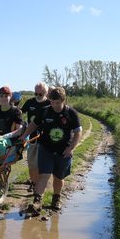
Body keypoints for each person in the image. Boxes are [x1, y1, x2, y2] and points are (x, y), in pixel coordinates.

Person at [19, 86, 82, 214]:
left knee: (59, 177)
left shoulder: (71, 113)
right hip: (46, 148)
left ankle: (56, 199)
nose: (54, 105)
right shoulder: (45, 111)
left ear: (63, 100)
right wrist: (24, 136)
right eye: (52, 102)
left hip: (64, 151)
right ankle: (37, 202)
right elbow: (33, 124)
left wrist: (71, 148)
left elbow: (78, 132)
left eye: (57, 103)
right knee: (44, 175)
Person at [20, 82, 50, 192]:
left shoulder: (50, 104)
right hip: (31, 137)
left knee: (39, 164)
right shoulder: (30, 102)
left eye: (40, 94)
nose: (37, 96)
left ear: (46, 93)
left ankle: (38, 184)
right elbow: (19, 113)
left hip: (45, 139)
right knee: (31, 163)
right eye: (36, 93)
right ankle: (33, 182)